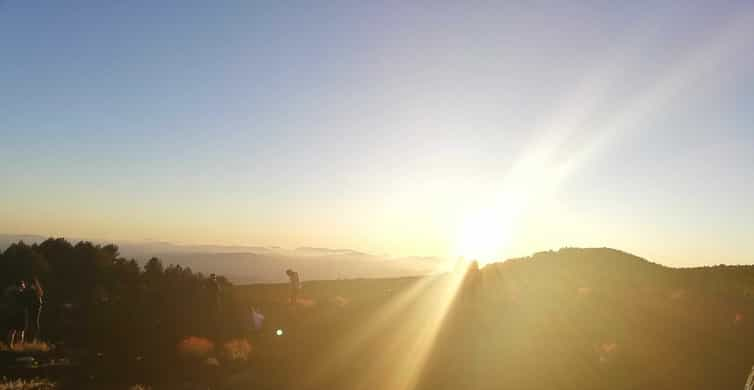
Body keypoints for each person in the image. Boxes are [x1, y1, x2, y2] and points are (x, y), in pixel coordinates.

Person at [7, 280, 28, 348]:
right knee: (20, 331)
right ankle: (18, 346)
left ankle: (10, 346)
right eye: (23, 284)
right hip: (20, 313)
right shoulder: (22, 293)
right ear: (21, 285)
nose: (25, 286)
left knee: (12, 330)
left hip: (12, 312)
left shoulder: (11, 292)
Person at [27, 277, 44, 342]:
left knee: (33, 322)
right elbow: (40, 297)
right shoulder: (37, 289)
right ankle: (34, 338)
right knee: (35, 322)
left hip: (34, 307)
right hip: (36, 307)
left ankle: (33, 338)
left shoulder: (33, 289)